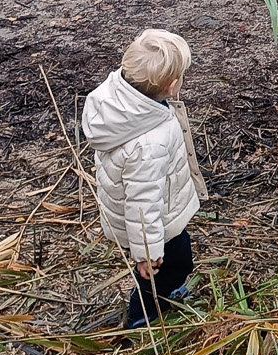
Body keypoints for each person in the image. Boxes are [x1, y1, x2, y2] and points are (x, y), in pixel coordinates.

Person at [82, 28, 209, 328]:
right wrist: (147, 254)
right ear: (173, 85)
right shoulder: (148, 145)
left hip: (148, 217)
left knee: (173, 264)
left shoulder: (118, 99)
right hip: (155, 227)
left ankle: (158, 296)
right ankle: (143, 318)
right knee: (169, 268)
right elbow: (143, 203)